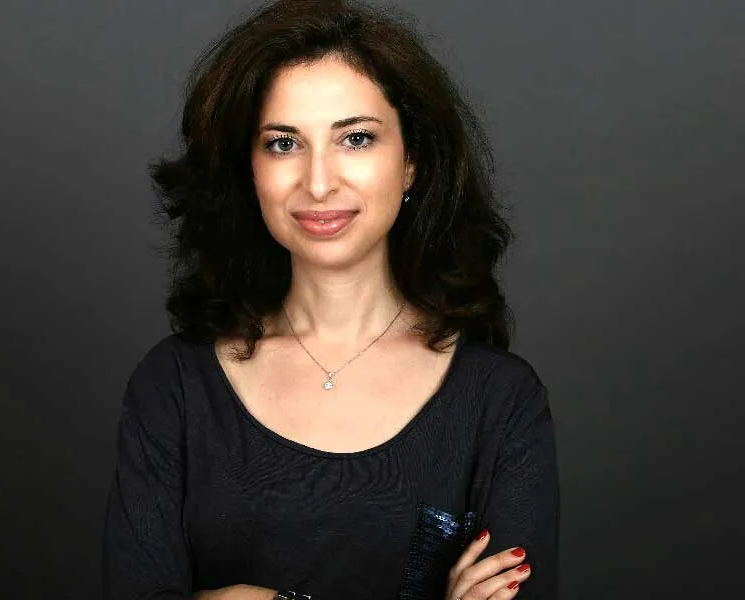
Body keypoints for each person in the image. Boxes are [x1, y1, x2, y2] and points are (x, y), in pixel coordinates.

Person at [101, 0, 560, 599]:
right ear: (249, 169)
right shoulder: (174, 387)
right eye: (283, 144)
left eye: (356, 138)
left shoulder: (501, 401)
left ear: (412, 162)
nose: (318, 183)